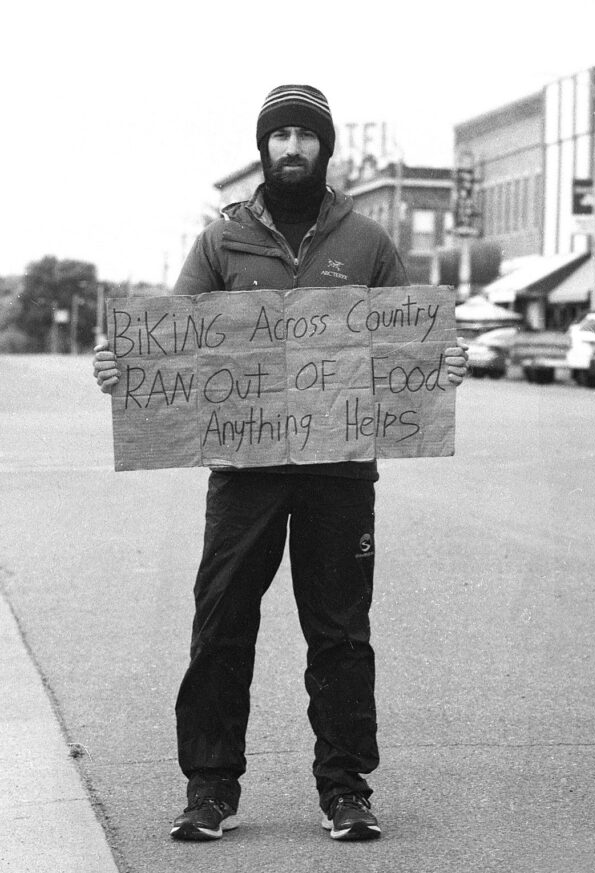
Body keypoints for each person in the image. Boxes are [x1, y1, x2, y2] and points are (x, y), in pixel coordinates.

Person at [92, 84, 468, 843]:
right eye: (280, 135)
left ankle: (345, 787)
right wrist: (125, 368)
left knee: (339, 630)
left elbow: (406, 343)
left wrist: (438, 361)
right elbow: (179, 343)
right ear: (263, 147)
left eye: (305, 135)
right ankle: (209, 787)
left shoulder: (367, 242)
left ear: (324, 148)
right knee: (223, 619)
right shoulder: (220, 243)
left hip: (340, 470)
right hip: (243, 469)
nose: (292, 147)